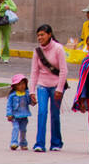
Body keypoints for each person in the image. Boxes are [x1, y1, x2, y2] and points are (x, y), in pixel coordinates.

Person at [29, 24, 68, 152]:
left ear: (49, 34)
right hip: (42, 86)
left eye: (42, 35)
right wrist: (32, 91)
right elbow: (34, 72)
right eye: (38, 35)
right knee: (42, 112)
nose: (40, 38)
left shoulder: (58, 49)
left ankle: (56, 142)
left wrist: (60, 89)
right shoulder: (37, 51)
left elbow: (64, 71)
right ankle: (39, 143)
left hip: (56, 86)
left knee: (55, 114)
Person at [5, 73, 31, 150]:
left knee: (23, 130)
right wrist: (9, 114)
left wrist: (33, 101)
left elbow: (29, 102)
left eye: (23, 84)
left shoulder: (26, 93)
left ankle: (23, 143)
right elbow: (9, 106)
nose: (22, 86)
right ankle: (14, 142)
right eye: (19, 84)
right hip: (15, 116)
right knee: (15, 128)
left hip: (24, 115)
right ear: (15, 86)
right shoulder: (12, 95)